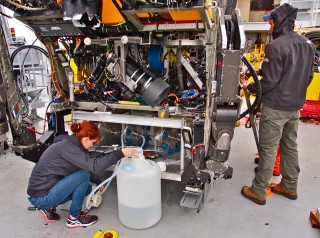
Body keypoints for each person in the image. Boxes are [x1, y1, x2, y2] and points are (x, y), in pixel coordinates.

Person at [240, 3, 315, 205]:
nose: (270, 26)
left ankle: (258, 190)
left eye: (272, 21)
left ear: (280, 21)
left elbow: (270, 82)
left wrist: (250, 86)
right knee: (290, 146)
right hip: (294, 107)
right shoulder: (307, 45)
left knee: (268, 149)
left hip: (275, 109)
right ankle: (290, 186)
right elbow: (306, 77)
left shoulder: (275, 46)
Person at [27, 121, 140, 228]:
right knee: (83, 175)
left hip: (40, 192)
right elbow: (93, 166)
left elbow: (82, 165)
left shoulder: (70, 144)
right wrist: (120, 153)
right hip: (42, 196)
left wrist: (98, 181)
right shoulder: (68, 148)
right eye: (93, 142)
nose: (93, 146)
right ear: (86, 139)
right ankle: (74, 218)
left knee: (87, 189)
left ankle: (47, 207)